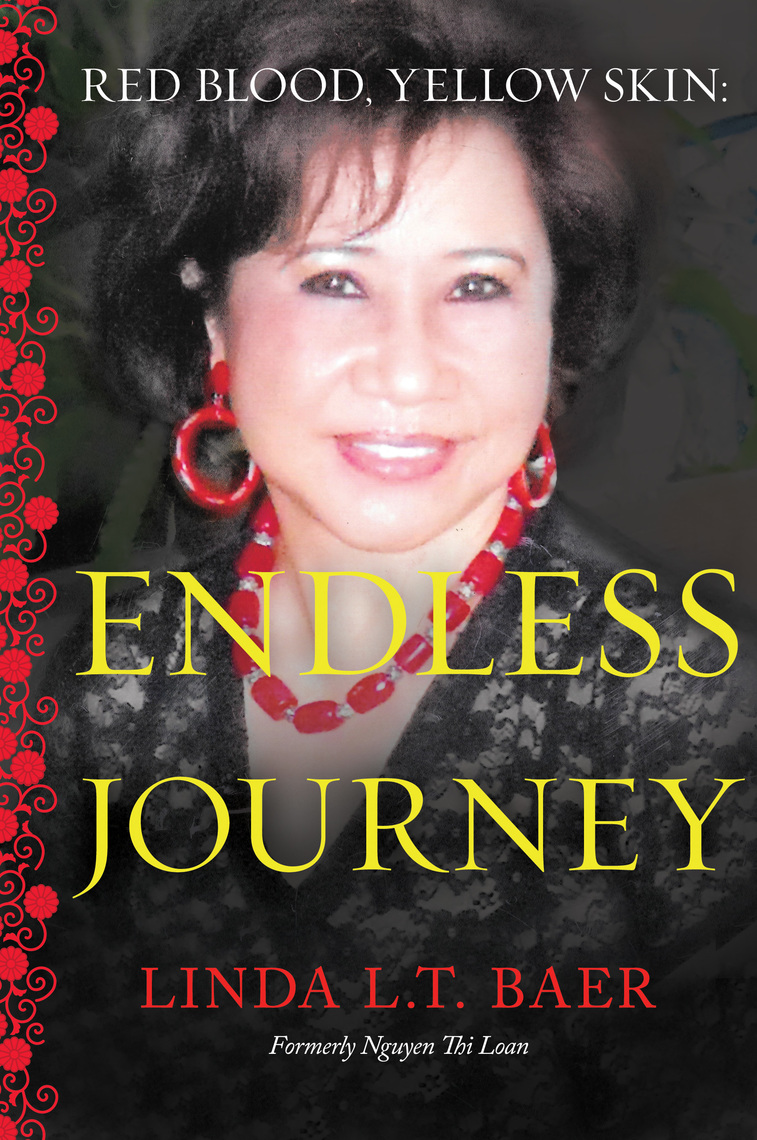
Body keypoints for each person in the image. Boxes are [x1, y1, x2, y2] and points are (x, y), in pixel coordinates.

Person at [48, 0, 757, 1136]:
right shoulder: (87, 681)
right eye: (335, 279)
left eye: (477, 285)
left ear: (553, 324)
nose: (409, 371)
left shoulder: (689, 714)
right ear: (213, 313)